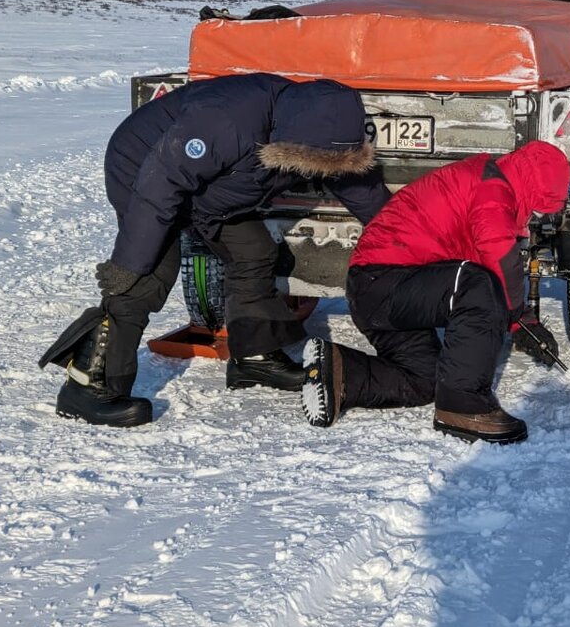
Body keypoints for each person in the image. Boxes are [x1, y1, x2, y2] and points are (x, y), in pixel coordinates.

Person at [39, 74, 390, 427]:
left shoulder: (319, 134)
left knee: (253, 250)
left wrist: (409, 241)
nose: (313, 170)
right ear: (290, 139)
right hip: (144, 170)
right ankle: (89, 386)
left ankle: (254, 356)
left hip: (213, 189)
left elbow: (367, 196)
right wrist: (128, 262)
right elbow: (161, 183)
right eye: (308, 162)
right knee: (147, 275)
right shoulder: (225, 119)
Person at [299, 140, 570, 444]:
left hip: (386, 292)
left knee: (425, 379)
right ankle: (464, 404)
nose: (536, 217)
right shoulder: (493, 189)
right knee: (476, 285)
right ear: (533, 187)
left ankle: (342, 372)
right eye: (539, 208)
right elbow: (499, 256)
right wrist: (520, 317)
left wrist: (522, 322)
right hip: (382, 281)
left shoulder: (489, 183)